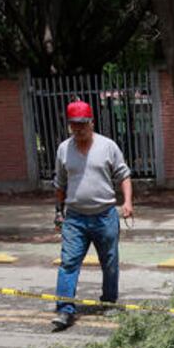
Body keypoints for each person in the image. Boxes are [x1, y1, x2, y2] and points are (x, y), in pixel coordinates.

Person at [51, 100, 133, 331]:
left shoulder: (108, 147)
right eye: (74, 126)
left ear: (91, 122)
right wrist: (58, 212)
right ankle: (65, 310)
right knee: (68, 263)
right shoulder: (63, 149)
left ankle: (108, 301)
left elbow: (123, 175)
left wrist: (127, 202)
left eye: (82, 125)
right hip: (75, 218)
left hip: (105, 216)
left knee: (109, 262)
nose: (78, 130)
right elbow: (60, 183)